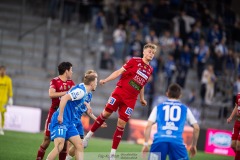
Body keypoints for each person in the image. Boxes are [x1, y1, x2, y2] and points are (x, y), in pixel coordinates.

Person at [83, 43, 158, 159]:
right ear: (144, 52)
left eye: (153, 53)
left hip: (131, 100)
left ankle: (112, 154)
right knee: (105, 114)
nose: (151, 54)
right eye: (149, 51)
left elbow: (142, 84)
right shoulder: (134, 61)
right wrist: (106, 80)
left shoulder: (150, 69)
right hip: (120, 92)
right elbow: (119, 72)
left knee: (121, 124)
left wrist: (142, 98)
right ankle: (87, 137)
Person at [46, 73, 98, 160]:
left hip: (69, 122)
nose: (96, 84)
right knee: (60, 145)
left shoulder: (83, 90)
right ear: (92, 83)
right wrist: (60, 115)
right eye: (96, 82)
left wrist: (86, 104)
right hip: (61, 120)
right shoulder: (81, 92)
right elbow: (64, 98)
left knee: (80, 145)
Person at [142, 83, 200, 160]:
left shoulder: (158, 107)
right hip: (176, 142)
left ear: (167, 94)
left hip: (159, 141)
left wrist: (146, 144)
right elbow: (196, 128)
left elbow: (148, 125)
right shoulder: (185, 109)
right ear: (180, 95)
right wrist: (193, 145)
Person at [36, 62, 75, 160]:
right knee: (46, 140)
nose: (72, 72)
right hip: (53, 113)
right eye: (71, 70)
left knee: (65, 142)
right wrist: (67, 93)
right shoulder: (54, 81)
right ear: (66, 71)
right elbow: (51, 94)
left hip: (65, 116)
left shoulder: (71, 83)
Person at [65, 70, 107, 160]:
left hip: (78, 120)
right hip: (71, 118)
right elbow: (68, 97)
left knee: (81, 145)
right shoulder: (80, 88)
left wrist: (98, 121)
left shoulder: (90, 94)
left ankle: (67, 158)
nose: (96, 82)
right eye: (95, 79)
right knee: (67, 145)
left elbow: (88, 111)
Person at [0, 65, 13, 135]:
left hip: (4, 101)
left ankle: (1, 128)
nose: (2, 72)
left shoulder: (8, 80)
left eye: (3, 70)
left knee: (2, 114)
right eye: (1, 70)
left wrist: (10, 98)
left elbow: (10, 89)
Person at [227, 92, 240, 160]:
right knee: (233, 145)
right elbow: (236, 106)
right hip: (237, 122)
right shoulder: (238, 95)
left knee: (238, 145)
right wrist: (231, 117)